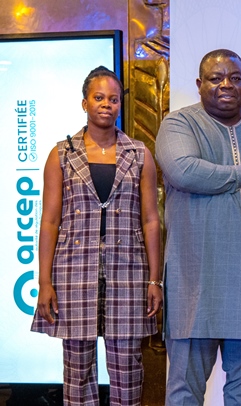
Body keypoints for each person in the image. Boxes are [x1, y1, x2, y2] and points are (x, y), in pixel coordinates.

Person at [156, 49, 241, 405]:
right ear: (199, 84)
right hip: (195, 284)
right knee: (184, 393)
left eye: (235, 78)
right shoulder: (179, 124)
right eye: (216, 78)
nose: (226, 85)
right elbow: (184, 171)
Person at [31, 66, 163, 405]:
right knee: (77, 371)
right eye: (99, 97)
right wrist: (44, 282)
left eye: (113, 99)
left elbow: (151, 220)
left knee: (127, 370)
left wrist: (155, 280)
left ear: (120, 105)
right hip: (73, 272)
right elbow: (49, 221)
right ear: (85, 103)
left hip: (128, 273)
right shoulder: (62, 154)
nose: (106, 104)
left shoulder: (139, 153)